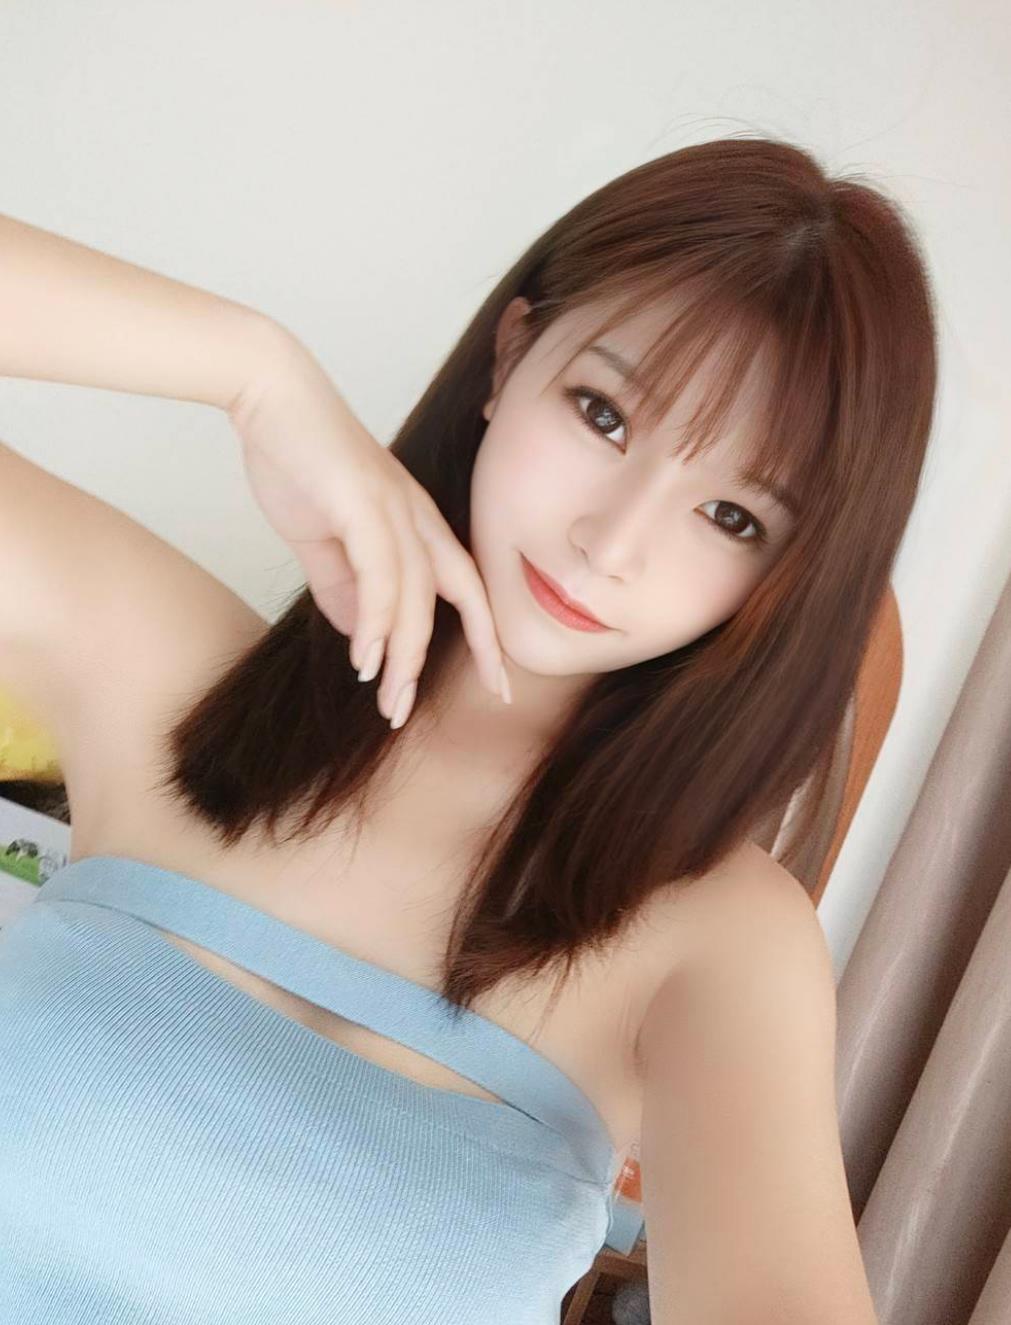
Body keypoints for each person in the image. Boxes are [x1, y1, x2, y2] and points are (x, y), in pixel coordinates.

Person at [0, 136, 935, 1324]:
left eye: (732, 515)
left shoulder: (719, 939)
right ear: (510, 356)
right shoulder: (166, 675)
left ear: (790, 581)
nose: (614, 540)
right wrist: (255, 371)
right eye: (603, 412)